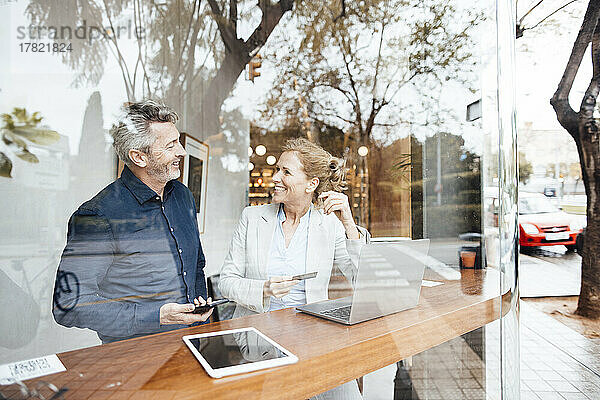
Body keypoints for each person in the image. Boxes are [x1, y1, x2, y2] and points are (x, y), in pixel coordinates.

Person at [52, 100, 212, 343]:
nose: (181, 151)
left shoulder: (183, 196)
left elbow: (196, 267)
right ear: (139, 157)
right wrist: (157, 316)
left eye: (177, 142)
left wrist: (201, 319)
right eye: (171, 146)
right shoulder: (98, 215)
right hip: (134, 359)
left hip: (190, 346)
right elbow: (69, 305)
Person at [220, 137, 368, 399]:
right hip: (259, 336)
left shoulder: (330, 224)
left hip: (315, 337)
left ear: (311, 184)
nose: (275, 177)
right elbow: (227, 281)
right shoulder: (252, 218)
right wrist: (263, 289)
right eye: (277, 169)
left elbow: (362, 279)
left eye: (286, 172)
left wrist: (348, 224)